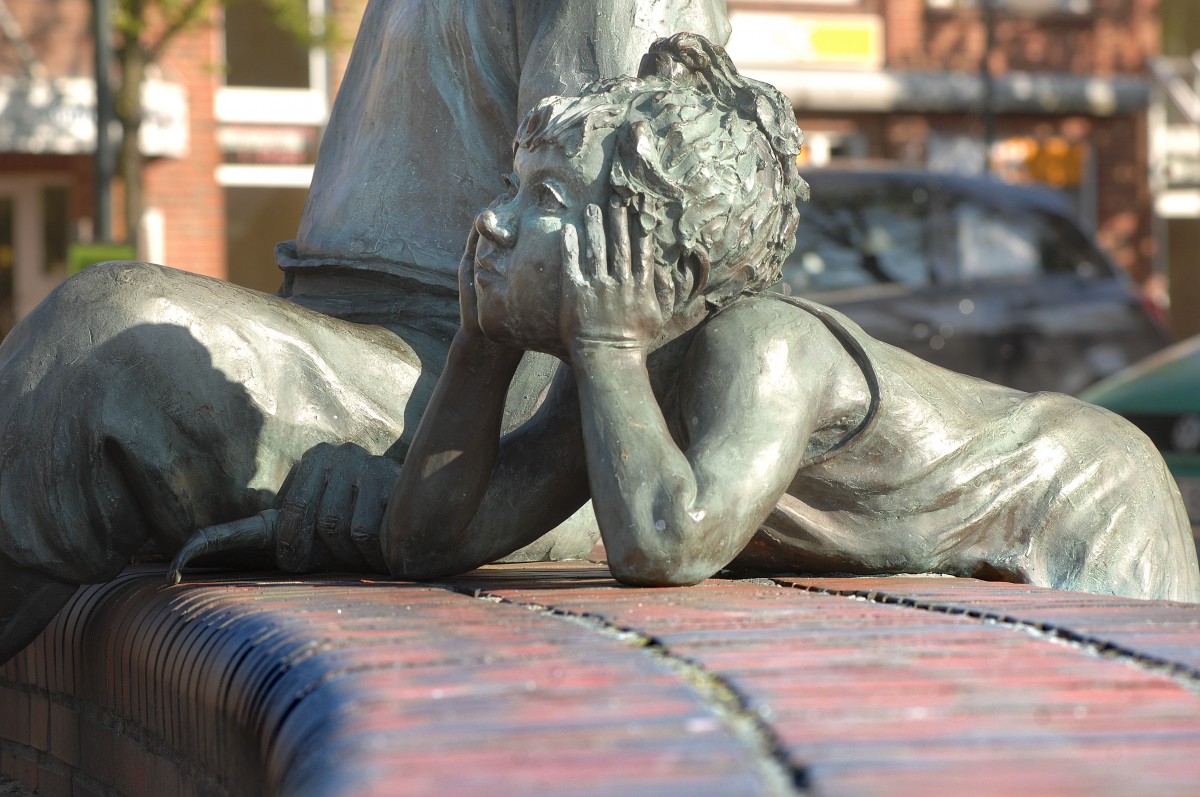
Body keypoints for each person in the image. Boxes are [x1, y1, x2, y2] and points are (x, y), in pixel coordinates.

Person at [186, 33, 1200, 602]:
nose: (489, 218)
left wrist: (605, 343)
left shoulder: (764, 347)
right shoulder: (621, 373)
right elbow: (432, 542)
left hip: (1079, 488)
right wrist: (480, 352)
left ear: (649, 253)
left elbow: (665, 546)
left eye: (542, 200)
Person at [0, 0, 731, 662]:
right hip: (373, 351)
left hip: (463, 399)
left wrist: (426, 484)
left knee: (105, 344)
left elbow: (612, 291)